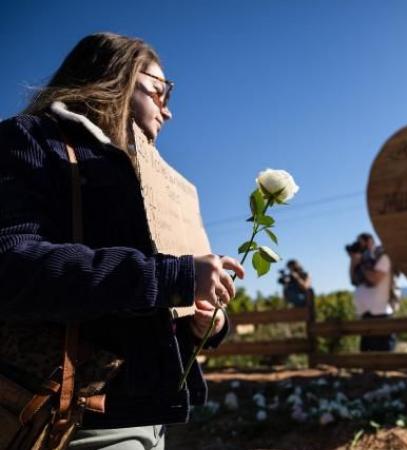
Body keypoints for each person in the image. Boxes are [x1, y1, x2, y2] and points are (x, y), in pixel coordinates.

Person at [0, 33, 244, 449]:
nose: (168, 110)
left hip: (145, 415)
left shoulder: (149, 174)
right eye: (159, 90)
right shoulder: (30, 140)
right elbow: (12, 265)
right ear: (116, 78)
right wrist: (174, 276)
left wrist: (200, 323)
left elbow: (134, 308)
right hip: (70, 419)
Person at [347, 233, 396, 352]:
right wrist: (353, 262)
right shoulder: (362, 260)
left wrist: (362, 264)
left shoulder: (382, 256)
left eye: (360, 243)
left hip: (381, 314)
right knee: (367, 360)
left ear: (369, 241)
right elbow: (353, 280)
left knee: (385, 360)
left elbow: (374, 279)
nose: (358, 246)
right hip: (365, 315)